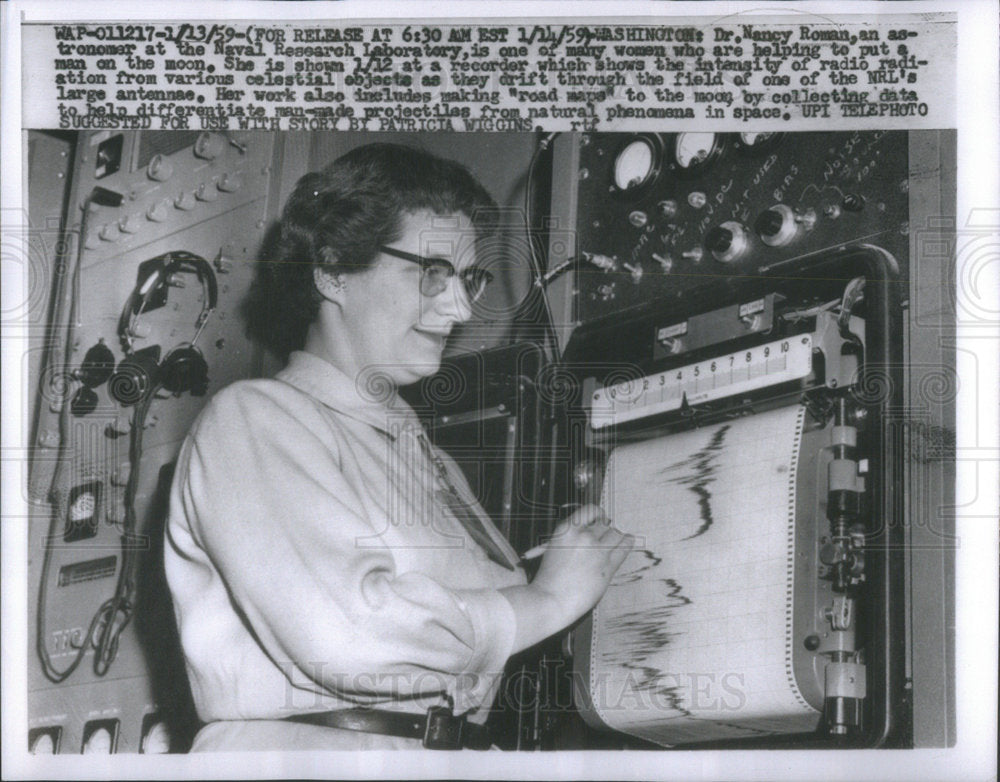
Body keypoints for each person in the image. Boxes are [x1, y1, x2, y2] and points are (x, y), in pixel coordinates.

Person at [164, 142, 633, 751]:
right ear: (332, 270)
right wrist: (546, 597)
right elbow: (345, 635)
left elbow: (466, 638)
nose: (460, 307)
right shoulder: (253, 420)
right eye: (432, 272)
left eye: (469, 278)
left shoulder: (423, 457)